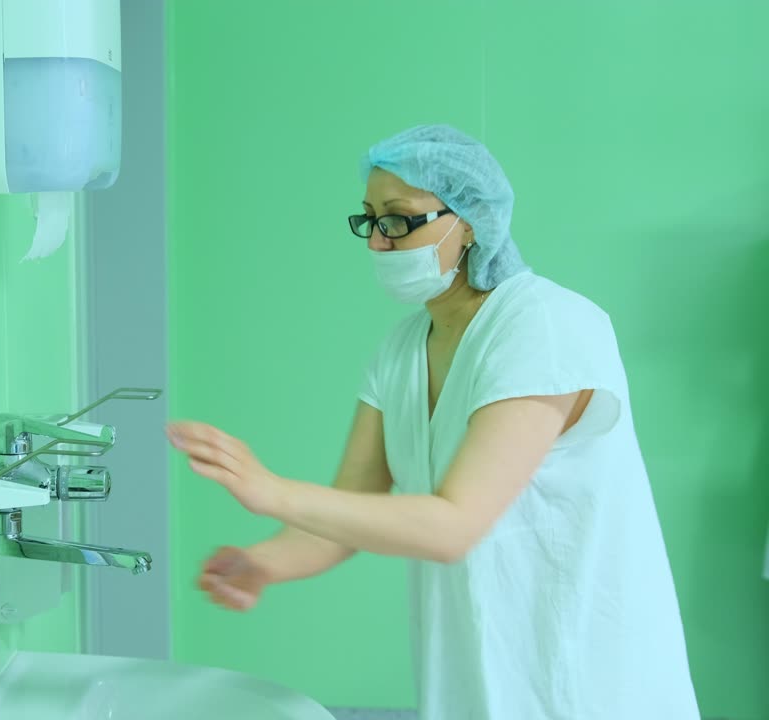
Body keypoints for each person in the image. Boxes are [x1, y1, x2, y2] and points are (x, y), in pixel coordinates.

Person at [165, 125, 700, 719]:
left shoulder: (544, 326)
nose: (376, 242)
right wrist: (265, 562)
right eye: (369, 220)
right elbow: (346, 516)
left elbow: (453, 525)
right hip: (471, 685)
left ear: (469, 221)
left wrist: (271, 492)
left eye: (398, 219)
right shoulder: (401, 351)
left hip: (582, 684)